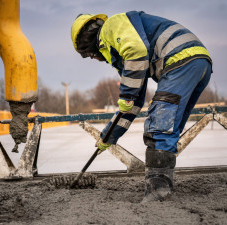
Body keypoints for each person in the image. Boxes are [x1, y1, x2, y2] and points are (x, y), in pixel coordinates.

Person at [71, 11, 212, 202]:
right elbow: (133, 103)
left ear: (89, 44)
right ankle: (162, 187)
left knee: (159, 127)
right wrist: (109, 136)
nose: (94, 59)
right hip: (198, 62)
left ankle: (158, 192)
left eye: (89, 55)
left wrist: (126, 94)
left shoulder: (111, 26)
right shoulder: (127, 52)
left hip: (179, 60)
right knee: (169, 129)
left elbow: (135, 54)